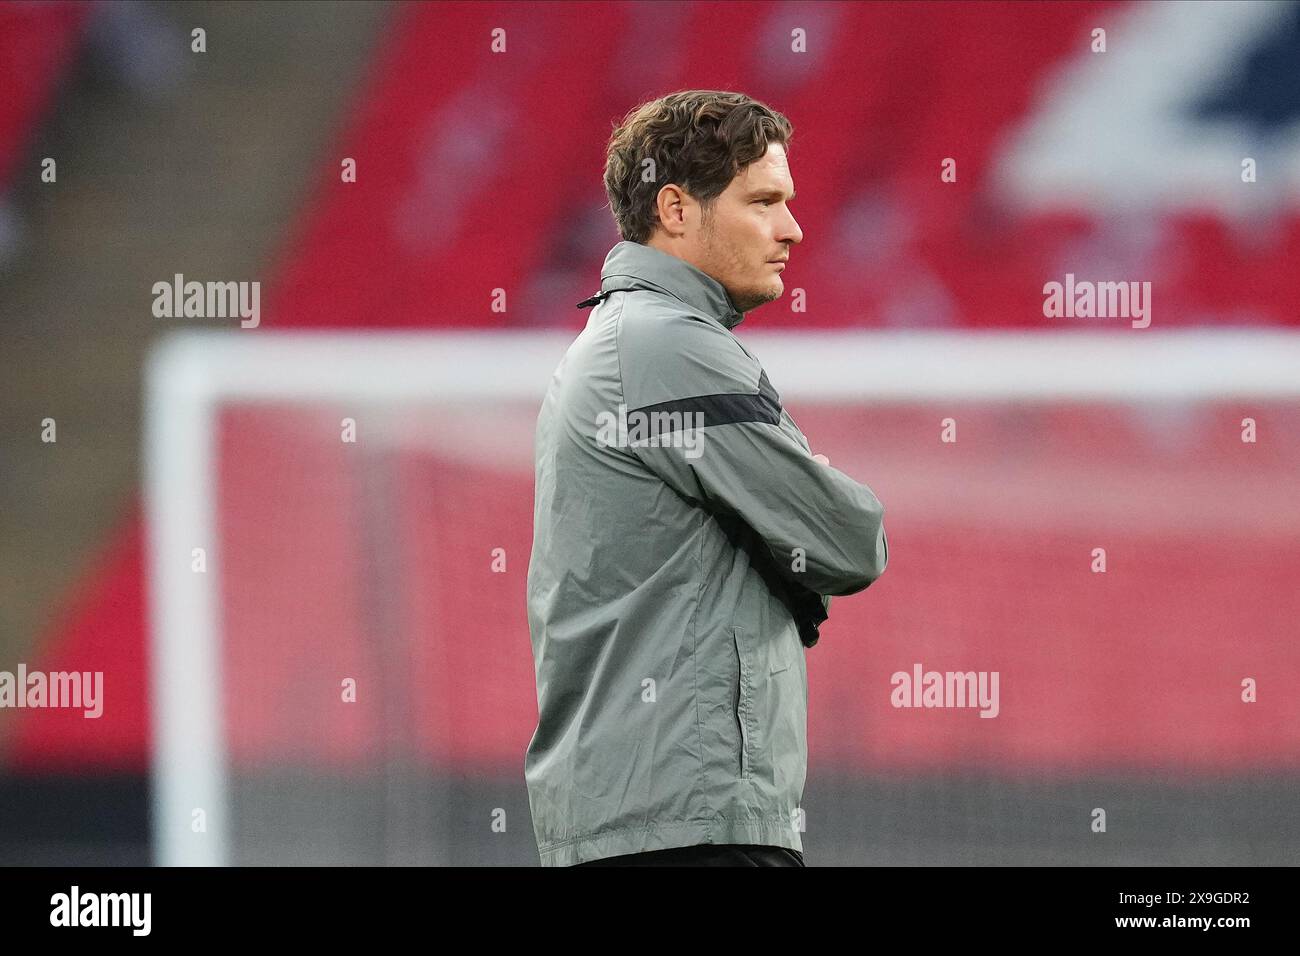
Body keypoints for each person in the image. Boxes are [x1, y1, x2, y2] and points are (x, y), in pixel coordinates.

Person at [524, 90, 888, 867]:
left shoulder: (627, 339)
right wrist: (808, 494)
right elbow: (850, 540)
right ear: (677, 209)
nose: (792, 228)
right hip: (686, 828)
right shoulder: (667, 347)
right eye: (764, 202)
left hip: (655, 823)